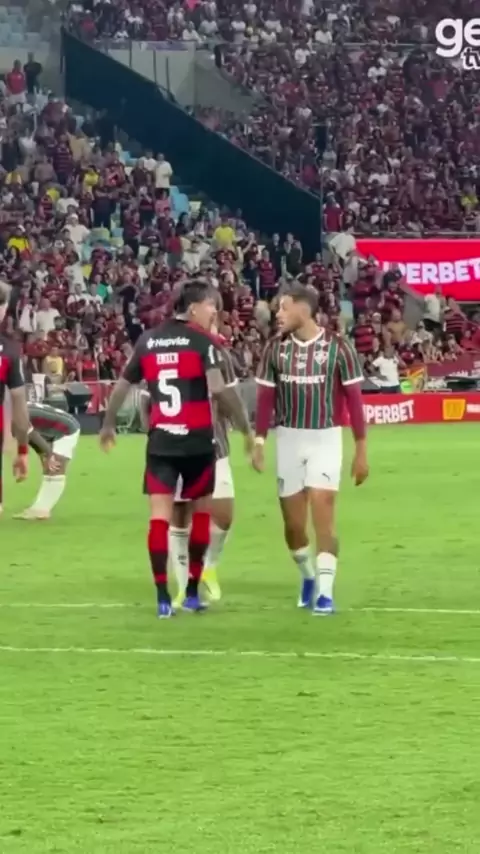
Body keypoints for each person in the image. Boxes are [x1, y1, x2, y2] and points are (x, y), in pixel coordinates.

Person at [99, 280, 253, 619]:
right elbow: (219, 389)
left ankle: (162, 598)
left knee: (159, 519)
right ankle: (193, 592)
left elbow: (123, 385)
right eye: (211, 305)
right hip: (198, 442)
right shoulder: (202, 341)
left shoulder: (148, 340)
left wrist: (108, 424)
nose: (214, 312)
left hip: (161, 443)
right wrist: (246, 428)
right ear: (194, 307)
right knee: (200, 515)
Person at [252, 284, 369, 615]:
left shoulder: (339, 348)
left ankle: (326, 594)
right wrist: (259, 442)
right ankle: (307, 575)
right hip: (288, 439)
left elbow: (355, 402)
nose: (278, 314)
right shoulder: (275, 349)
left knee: (323, 511)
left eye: (284, 307)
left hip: (326, 438)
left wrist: (361, 450)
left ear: (304, 309)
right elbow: (265, 400)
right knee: (293, 527)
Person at [169, 316, 238, 607]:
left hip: (214, 446)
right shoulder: (164, 353)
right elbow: (148, 399)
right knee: (180, 515)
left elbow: (231, 398)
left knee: (223, 515)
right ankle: (184, 587)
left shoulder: (220, 355)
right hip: (174, 446)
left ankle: (208, 566)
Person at [12, 402, 80, 520]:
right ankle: (39, 509)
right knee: (48, 466)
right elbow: (27, 436)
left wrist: (49, 454)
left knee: (55, 467)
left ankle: (41, 510)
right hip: (47, 431)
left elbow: (31, 434)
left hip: (66, 429)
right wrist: (43, 454)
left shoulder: (13, 415)